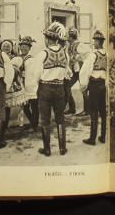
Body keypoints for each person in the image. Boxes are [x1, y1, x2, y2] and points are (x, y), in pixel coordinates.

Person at [25, 22, 72, 157]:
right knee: (60, 118)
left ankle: (47, 149)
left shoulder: (42, 54)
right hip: (60, 89)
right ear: (57, 39)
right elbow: (67, 73)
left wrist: (33, 92)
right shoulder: (65, 55)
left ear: (47, 39)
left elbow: (35, 75)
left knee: (45, 119)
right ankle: (62, 148)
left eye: (45, 38)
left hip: (45, 88)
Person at [79, 30, 107, 145]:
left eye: (95, 41)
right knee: (103, 112)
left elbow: (85, 71)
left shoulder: (93, 55)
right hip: (102, 85)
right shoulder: (106, 54)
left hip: (94, 85)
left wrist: (83, 86)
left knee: (94, 111)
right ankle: (103, 137)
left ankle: (92, 138)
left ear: (98, 42)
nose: (94, 43)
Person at [1, 40, 26, 131]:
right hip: (1, 85)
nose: (6, 48)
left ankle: (11, 124)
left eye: (8, 46)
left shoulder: (15, 58)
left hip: (13, 85)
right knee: (3, 107)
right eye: (4, 46)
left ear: (11, 48)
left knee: (10, 107)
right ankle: (2, 126)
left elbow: (20, 70)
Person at [17, 36, 39, 130]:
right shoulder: (18, 58)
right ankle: (33, 123)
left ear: (29, 48)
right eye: (22, 47)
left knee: (34, 106)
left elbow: (33, 74)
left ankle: (35, 125)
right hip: (22, 86)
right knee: (25, 107)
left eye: (26, 47)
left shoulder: (31, 60)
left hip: (31, 86)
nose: (23, 48)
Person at [64, 27, 87, 115]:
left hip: (81, 70)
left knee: (84, 88)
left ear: (71, 37)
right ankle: (72, 108)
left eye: (68, 37)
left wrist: (78, 59)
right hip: (74, 71)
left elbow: (87, 55)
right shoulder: (69, 46)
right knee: (67, 87)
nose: (67, 39)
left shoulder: (80, 45)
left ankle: (87, 111)